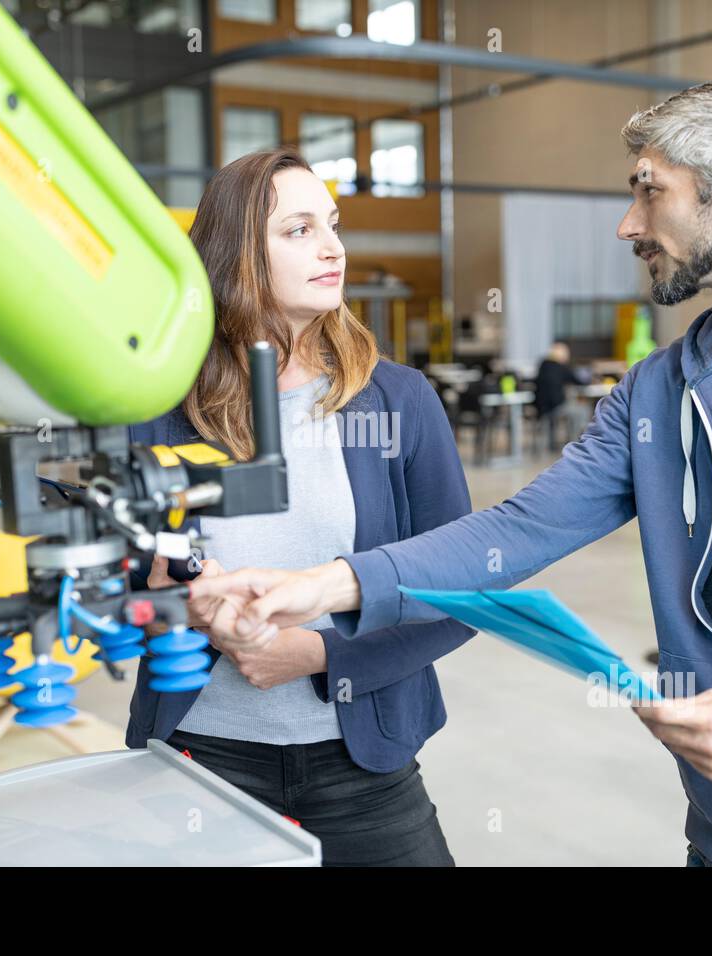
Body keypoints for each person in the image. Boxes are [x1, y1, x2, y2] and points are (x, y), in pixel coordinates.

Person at [190, 82, 712, 867]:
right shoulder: (663, 388)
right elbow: (516, 532)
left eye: (650, 191)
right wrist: (324, 585)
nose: (627, 224)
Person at [126, 146, 474, 866]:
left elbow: (465, 594)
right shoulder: (160, 409)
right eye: (299, 230)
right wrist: (156, 595)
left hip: (363, 765)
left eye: (333, 225)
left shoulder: (397, 401)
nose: (333, 248)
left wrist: (320, 656)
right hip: (201, 752)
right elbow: (118, 584)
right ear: (236, 255)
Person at [533, 339, 590, 451]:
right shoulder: (560, 367)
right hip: (556, 406)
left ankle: (556, 443)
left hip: (541, 408)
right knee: (582, 410)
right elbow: (578, 380)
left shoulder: (542, 366)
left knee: (572, 407)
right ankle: (576, 442)